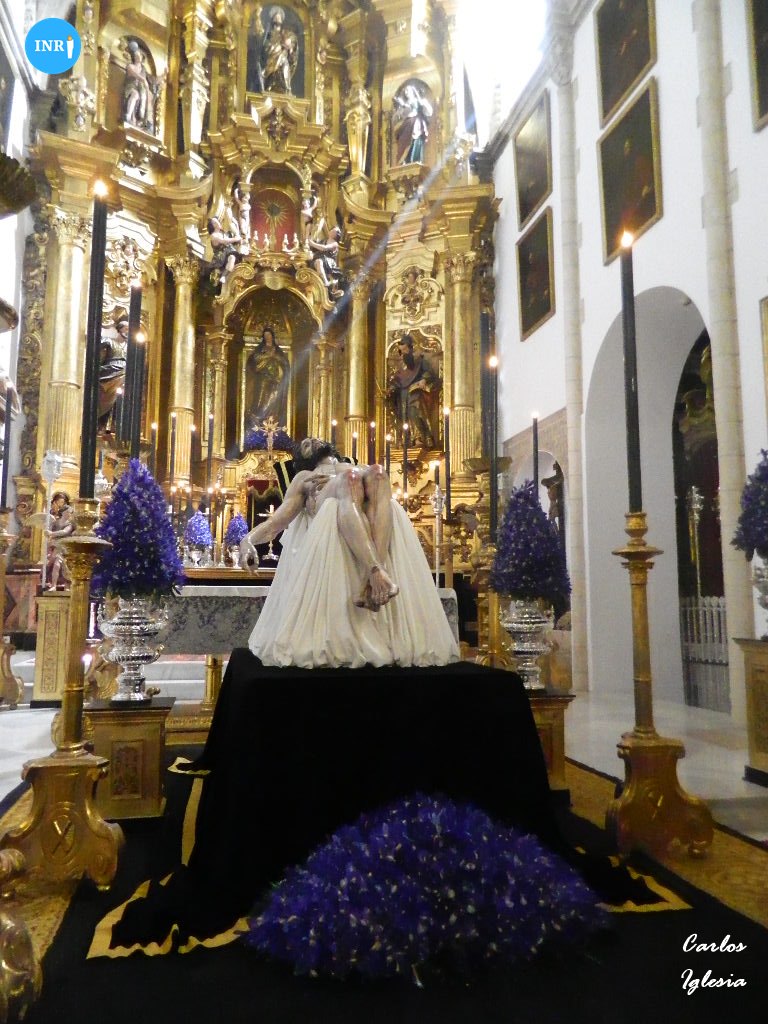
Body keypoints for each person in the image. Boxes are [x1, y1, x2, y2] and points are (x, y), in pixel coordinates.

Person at [240, 437, 459, 669]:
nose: (313, 440)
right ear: (303, 460)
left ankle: (372, 578)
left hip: (359, 496)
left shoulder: (360, 468)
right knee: (350, 479)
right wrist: (248, 540)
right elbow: (276, 522)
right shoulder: (305, 477)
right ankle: (375, 571)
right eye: (306, 444)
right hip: (331, 502)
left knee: (378, 473)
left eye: (315, 440)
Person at [386, 334, 438, 447]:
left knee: (414, 412)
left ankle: (421, 437)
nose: (404, 353)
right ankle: (407, 440)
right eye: (401, 351)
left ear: (410, 348)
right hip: (403, 395)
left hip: (415, 392)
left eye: (405, 349)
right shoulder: (401, 367)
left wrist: (424, 379)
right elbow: (397, 381)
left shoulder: (420, 361)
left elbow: (429, 372)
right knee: (403, 415)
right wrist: (391, 389)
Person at [245, 326, 291, 428]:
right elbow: (254, 359)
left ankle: (272, 420)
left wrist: (275, 356)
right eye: (265, 335)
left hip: (275, 379)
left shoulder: (277, 350)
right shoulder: (260, 349)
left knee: (273, 399)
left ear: (272, 336)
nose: (267, 337)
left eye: (269, 335)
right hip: (263, 378)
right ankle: (259, 419)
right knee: (261, 399)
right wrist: (268, 356)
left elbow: (284, 362)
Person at [251, 5, 299, 95]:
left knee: (284, 63)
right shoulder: (268, 34)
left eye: (279, 17)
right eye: (276, 17)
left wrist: (289, 43)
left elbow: (292, 41)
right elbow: (263, 45)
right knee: (270, 77)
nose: (277, 19)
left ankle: (286, 88)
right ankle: (269, 84)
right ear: (273, 20)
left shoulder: (285, 33)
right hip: (269, 60)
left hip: (281, 58)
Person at [98, 319, 128, 427]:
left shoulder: (129, 347)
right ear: (120, 329)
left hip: (124, 373)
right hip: (110, 371)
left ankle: (113, 424)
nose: (128, 331)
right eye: (126, 329)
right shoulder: (110, 341)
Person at [393, 82, 433, 165]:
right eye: (405, 91)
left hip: (416, 124)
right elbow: (396, 118)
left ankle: (414, 160)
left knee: (415, 139)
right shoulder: (403, 104)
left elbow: (429, 112)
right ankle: (403, 161)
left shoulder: (419, 101)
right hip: (405, 125)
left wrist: (423, 104)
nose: (406, 92)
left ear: (413, 91)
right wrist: (401, 109)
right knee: (403, 142)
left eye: (408, 90)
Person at [122, 40, 157, 132]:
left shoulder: (143, 70)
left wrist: (164, 75)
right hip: (131, 87)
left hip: (141, 90)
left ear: (141, 57)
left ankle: (143, 120)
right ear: (134, 57)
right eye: (136, 55)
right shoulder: (130, 66)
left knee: (146, 96)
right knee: (135, 95)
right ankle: (128, 115)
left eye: (139, 55)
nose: (138, 56)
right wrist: (143, 80)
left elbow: (153, 80)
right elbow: (134, 74)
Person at [45, 491, 74, 591]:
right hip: (57, 546)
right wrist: (49, 534)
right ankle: (52, 583)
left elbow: (65, 532)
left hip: (66, 547)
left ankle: (66, 585)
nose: (70, 514)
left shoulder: (70, 523)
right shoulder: (56, 521)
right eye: (68, 512)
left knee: (64, 566)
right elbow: (51, 534)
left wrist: (52, 533)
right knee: (53, 564)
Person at [308, 225, 343, 299]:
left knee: (319, 262)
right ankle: (322, 283)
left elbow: (324, 248)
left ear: (337, 235)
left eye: (335, 231)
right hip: (318, 259)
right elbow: (315, 248)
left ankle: (325, 283)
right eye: (332, 229)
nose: (332, 231)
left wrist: (312, 243)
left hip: (327, 262)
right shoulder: (323, 241)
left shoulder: (335, 243)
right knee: (318, 262)